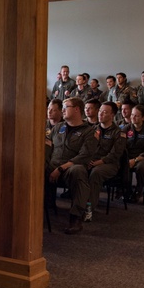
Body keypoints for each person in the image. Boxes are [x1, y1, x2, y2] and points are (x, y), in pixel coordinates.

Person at [47, 97, 96, 234]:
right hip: (52, 166)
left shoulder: (89, 131)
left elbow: (84, 156)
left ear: (76, 109)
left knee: (78, 171)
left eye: (66, 107)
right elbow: (47, 148)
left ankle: (75, 218)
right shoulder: (58, 127)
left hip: (70, 169)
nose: (62, 110)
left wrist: (61, 168)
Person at [85, 102, 126, 222]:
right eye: (100, 111)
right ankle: (78, 203)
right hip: (92, 161)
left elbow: (115, 154)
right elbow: (86, 147)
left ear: (112, 115)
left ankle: (89, 208)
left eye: (104, 112)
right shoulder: (92, 129)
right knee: (78, 169)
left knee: (96, 173)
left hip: (109, 164)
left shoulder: (119, 133)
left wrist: (99, 162)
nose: (100, 114)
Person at [124, 105, 144, 201]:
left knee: (140, 168)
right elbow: (121, 146)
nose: (133, 117)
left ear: (143, 118)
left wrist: (135, 160)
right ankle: (126, 189)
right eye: (132, 115)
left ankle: (139, 189)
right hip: (128, 157)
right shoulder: (126, 129)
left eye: (136, 116)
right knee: (123, 165)